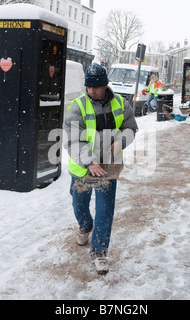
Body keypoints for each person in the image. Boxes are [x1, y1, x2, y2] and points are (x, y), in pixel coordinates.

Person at [63, 63, 138, 275]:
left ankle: (100, 253)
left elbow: (131, 127)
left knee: (105, 211)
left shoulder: (121, 104)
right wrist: (89, 161)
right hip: (83, 169)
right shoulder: (77, 107)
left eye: (96, 87)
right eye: (88, 87)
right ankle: (85, 226)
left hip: (108, 167)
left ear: (105, 85)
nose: (91, 91)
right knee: (80, 205)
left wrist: (120, 142)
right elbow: (73, 141)